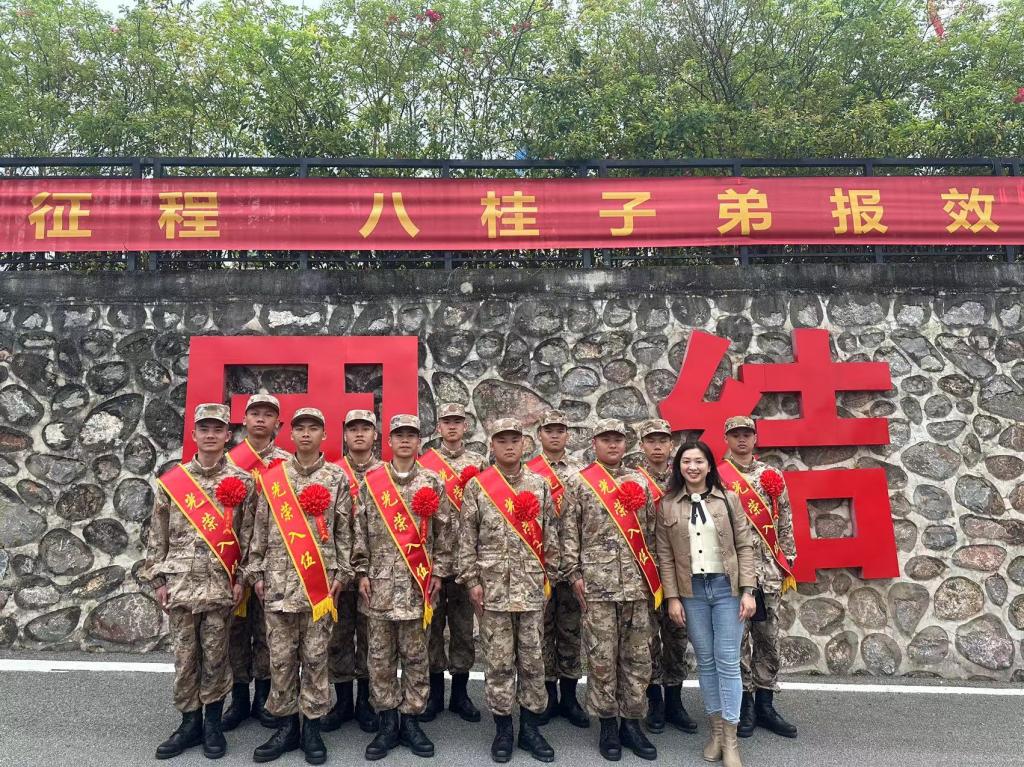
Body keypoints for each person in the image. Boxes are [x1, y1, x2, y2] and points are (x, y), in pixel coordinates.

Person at [144, 403, 256, 760]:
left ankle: (212, 724)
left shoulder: (243, 482)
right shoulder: (173, 481)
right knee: (185, 657)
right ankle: (188, 723)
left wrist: (241, 579)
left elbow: (250, 537)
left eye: (217, 429)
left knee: (217, 656)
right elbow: (157, 534)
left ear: (227, 435)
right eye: (204, 429)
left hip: (220, 586)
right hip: (180, 586)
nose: (210, 435)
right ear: (193, 435)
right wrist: (158, 580)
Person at [246, 407, 349, 765]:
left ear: (324, 435)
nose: (306, 434)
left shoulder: (336, 478)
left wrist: (342, 574)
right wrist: (256, 573)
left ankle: (313, 730)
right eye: (300, 428)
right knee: (281, 660)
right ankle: (287, 727)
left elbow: (344, 532)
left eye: (313, 428)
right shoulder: (274, 478)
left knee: (316, 658)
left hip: (320, 589)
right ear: (290, 435)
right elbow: (259, 529)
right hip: (277, 584)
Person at [352, 414, 454, 760]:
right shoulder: (373, 481)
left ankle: (411, 721)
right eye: (399, 435)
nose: (405, 440)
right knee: (380, 659)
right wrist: (361, 572)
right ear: (389, 441)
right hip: (378, 588)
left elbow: (444, 533)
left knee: (416, 657)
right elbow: (359, 531)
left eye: (411, 435)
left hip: (417, 587)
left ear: (419, 441)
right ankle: (386, 724)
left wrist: (438, 572)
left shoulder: (432, 481)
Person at [458, 418, 559, 763]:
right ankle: (503, 729)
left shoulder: (540, 485)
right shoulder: (478, 487)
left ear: (524, 443)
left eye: (515, 439)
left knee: (533, 662)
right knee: (498, 663)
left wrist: (548, 580)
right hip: (493, 592)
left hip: (530, 590)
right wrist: (472, 582)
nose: (509, 446)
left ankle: (530, 729)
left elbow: (552, 537)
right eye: (502, 440)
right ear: (492, 445)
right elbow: (466, 540)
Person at [561, 419, 660, 762]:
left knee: (637, 659)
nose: (613, 445)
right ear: (595, 443)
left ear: (626, 443)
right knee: (601, 659)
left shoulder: (640, 482)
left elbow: (652, 532)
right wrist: (574, 575)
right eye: (606, 439)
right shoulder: (580, 482)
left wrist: (654, 578)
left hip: (636, 586)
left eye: (618, 439)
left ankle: (632, 723)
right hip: (596, 587)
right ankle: (607, 725)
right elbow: (568, 532)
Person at [655, 440, 756, 767]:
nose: (693, 467)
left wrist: (748, 590)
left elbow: (745, 546)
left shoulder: (729, 499)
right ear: (679, 467)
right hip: (692, 592)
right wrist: (672, 597)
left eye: (699, 461)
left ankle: (731, 741)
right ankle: (716, 733)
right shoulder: (668, 505)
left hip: (727, 589)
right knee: (707, 663)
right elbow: (665, 557)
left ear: (710, 466)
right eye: (686, 461)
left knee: (728, 662)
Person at [719, 416, 799, 739]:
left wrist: (787, 561)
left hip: (768, 575)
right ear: (726, 439)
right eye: (735, 434)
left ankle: (766, 705)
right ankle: (745, 705)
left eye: (747, 434)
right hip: (734, 575)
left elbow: (785, 520)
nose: (741, 439)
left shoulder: (771, 475)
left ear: (755, 438)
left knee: (768, 639)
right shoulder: (718, 476)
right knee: (737, 642)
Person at [224, 393, 291, 731]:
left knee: (268, 631)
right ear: (245, 420)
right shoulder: (227, 463)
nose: (261, 419)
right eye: (255, 413)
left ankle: (264, 696)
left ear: (278, 422)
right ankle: (238, 699)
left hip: (271, 562)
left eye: (268, 414)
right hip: (232, 559)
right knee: (235, 632)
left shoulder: (287, 464)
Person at [418, 402, 487, 723]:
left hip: (466, 562)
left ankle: (460, 695)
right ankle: (434, 694)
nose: (452, 426)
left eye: (458, 421)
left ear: (465, 426)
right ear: (439, 427)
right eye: (447, 421)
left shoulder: (479, 463)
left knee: (462, 629)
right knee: (432, 629)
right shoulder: (425, 465)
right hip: (432, 561)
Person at [526, 410, 588, 729]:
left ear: (568, 435)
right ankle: (548, 694)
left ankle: (570, 697)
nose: (554, 435)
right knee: (543, 630)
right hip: (540, 564)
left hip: (574, 564)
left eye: (560, 430)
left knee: (571, 630)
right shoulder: (527, 472)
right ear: (540, 434)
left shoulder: (582, 472)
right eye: (548, 430)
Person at [323, 409, 383, 734]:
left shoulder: (387, 475)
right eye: (353, 428)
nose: (359, 434)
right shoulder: (332, 474)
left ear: (375, 435)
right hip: (336, 572)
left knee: (371, 636)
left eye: (366, 428)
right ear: (344, 435)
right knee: (339, 637)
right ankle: (343, 701)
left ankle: (365, 701)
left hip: (374, 572)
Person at [634, 418, 696, 735]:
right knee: (648, 640)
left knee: (677, 638)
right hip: (646, 572)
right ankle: (654, 700)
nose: (657, 446)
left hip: (680, 571)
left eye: (662, 440)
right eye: (651, 440)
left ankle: (675, 701)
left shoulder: (685, 479)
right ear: (642, 445)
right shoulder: (632, 480)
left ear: (671, 445)